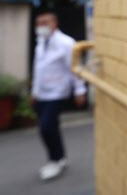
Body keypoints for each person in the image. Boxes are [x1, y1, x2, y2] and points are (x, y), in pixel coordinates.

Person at [30, 10, 86, 181]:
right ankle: (60, 158)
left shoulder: (66, 43)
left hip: (57, 92)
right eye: (38, 24)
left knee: (46, 128)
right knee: (50, 128)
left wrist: (80, 90)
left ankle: (54, 161)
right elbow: (38, 69)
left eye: (44, 23)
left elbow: (75, 68)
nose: (40, 27)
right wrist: (34, 91)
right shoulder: (41, 42)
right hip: (42, 93)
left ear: (55, 24)